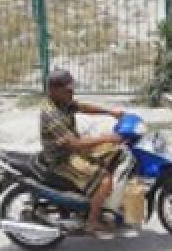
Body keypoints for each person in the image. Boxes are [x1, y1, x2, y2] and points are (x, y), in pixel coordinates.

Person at [38, 68, 126, 237]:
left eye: (72, 89)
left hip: (71, 148)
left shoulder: (62, 101)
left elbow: (81, 107)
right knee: (105, 180)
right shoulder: (51, 114)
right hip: (62, 159)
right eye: (68, 90)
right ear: (54, 91)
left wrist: (110, 112)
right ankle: (92, 222)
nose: (72, 92)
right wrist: (106, 137)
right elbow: (75, 144)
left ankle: (101, 204)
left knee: (112, 155)